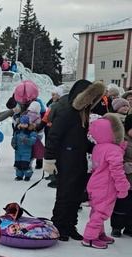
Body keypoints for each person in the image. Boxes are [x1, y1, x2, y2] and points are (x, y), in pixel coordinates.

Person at [44, 80, 106, 242]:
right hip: (66, 161)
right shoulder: (67, 113)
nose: (91, 102)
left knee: (76, 196)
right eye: (89, 97)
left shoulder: (83, 114)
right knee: (65, 195)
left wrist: (96, 148)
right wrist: (49, 159)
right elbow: (53, 136)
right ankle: (59, 226)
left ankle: (70, 225)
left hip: (79, 161)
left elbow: (81, 140)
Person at [82, 115, 129, 249]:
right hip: (106, 186)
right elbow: (117, 171)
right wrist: (123, 187)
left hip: (95, 183)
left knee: (96, 210)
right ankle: (90, 237)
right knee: (102, 212)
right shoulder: (113, 150)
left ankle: (99, 233)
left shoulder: (99, 147)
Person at [111, 115, 132, 237]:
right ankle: (117, 227)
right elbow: (116, 159)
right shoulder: (122, 141)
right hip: (125, 180)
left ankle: (130, 227)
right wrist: (125, 166)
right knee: (121, 205)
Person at [12, 116, 38, 181]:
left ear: (28, 124)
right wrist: (14, 145)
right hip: (18, 151)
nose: (23, 125)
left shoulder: (31, 132)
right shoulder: (17, 131)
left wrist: (26, 140)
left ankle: (27, 175)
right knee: (18, 164)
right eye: (22, 123)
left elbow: (33, 141)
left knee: (25, 164)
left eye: (25, 124)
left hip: (27, 152)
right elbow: (13, 139)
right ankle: (19, 176)